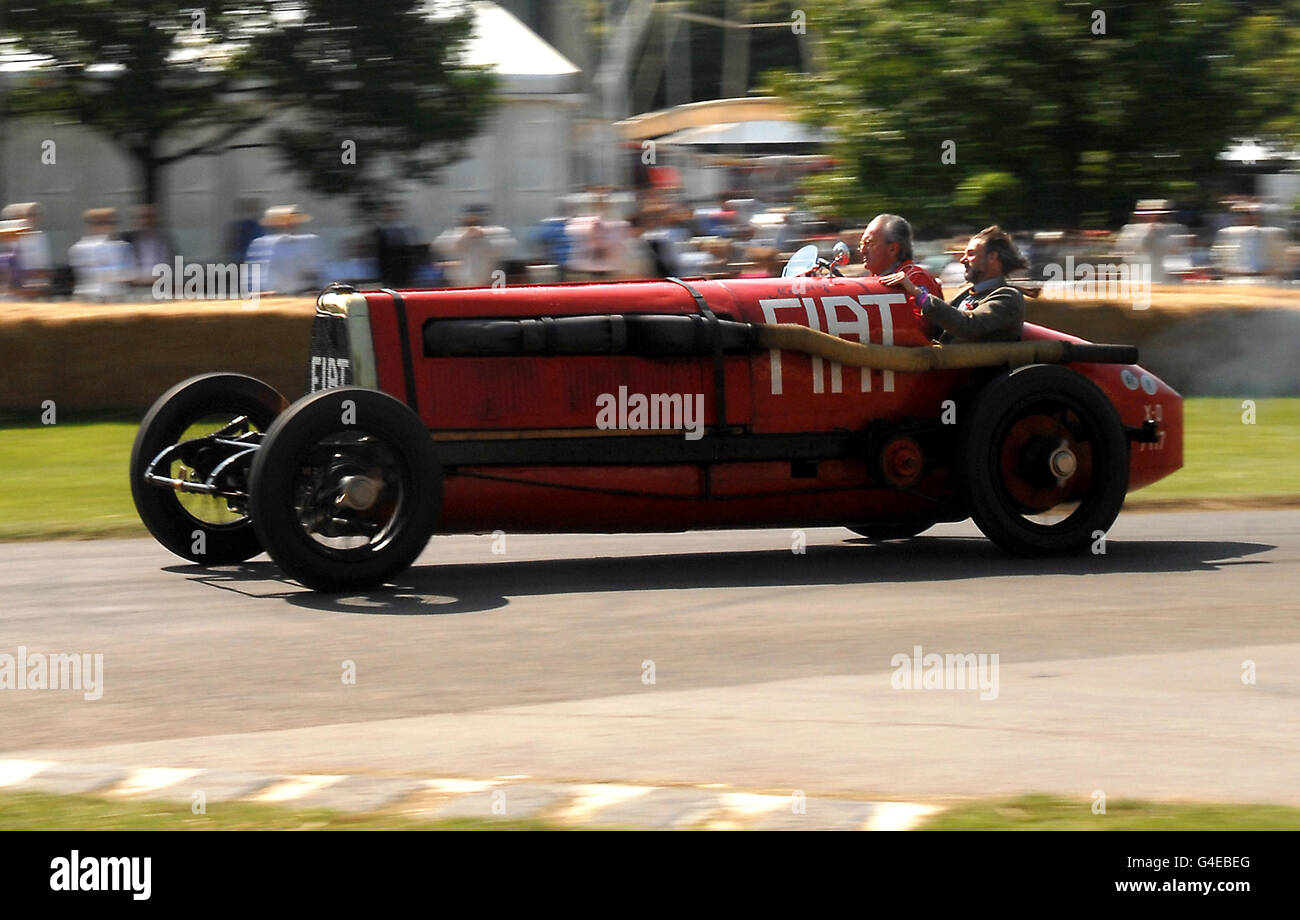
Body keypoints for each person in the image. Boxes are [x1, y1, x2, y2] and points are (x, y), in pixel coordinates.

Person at [880, 225, 1026, 344]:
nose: (962, 260)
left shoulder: (1008, 297)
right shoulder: (966, 290)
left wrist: (917, 293)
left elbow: (968, 326)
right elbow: (940, 321)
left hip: (972, 376)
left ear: (993, 257)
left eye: (971, 254)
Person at [859, 213, 944, 338]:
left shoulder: (915, 277)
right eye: (861, 244)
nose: (862, 250)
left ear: (893, 249)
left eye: (869, 243)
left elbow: (923, 329)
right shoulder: (872, 279)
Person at [247, 205, 322, 295]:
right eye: (283, 221)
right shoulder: (261, 244)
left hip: (302, 293)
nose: (288, 224)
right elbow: (255, 273)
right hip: (272, 295)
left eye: (291, 221)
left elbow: (317, 269)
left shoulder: (309, 241)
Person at [434, 204, 515, 287]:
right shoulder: (455, 234)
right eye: (469, 218)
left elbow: (508, 244)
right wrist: (464, 236)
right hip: (460, 285)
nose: (472, 222)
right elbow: (439, 244)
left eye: (476, 218)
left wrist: (483, 233)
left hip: (487, 284)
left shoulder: (494, 233)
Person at [68, 208, 133, 303]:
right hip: (90, 299)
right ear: (90, 225)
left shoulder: (123, 246)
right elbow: (88, 274)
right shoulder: (79, 248)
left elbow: (130, 273)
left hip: (116, 297)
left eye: (110, 222)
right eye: (99, 223)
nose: (105, 226)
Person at [122, 203, 177, 298]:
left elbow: (169, 265)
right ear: (135, 220)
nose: (146, 221)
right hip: (134, 289)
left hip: (159, 288)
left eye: (149, 217)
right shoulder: (128, 240)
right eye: (142, 217)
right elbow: (122, 268)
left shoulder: (163, 240)